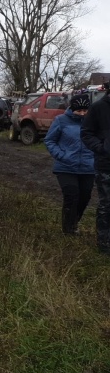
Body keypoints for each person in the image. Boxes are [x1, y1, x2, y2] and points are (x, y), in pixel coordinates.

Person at [45, 94, 95, 235]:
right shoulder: (61, 121)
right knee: (71, 195)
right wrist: (62, 156)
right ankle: (68, 230)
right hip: (66, 166)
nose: (82, 113)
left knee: (85, 196)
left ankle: (74, 222)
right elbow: (50, 141)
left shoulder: (92, 122)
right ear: (72, 108)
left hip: (88, 167)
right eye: (79, 111)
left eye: (85, 110)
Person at [81, 86, 110, 253]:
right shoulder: (98, 107)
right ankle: (104, 243)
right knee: (107, 204)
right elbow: (86, 133)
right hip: (106, 165)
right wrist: (102, 148)